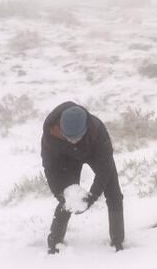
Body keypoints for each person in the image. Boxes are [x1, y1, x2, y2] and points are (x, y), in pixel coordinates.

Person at [40, 102, 124, 254]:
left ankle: (118, 242)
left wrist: (92, 196)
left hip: (94, 152)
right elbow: (50, 168)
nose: (73, 141)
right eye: (68, 137)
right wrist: (60, 194)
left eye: (77, 137)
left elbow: (105, 169)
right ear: (61, 129)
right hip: (67, 158)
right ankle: (55, 243)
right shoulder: (51, 133)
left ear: (85, 129)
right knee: (69, 199)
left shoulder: (97, 130)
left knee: (114, 194)